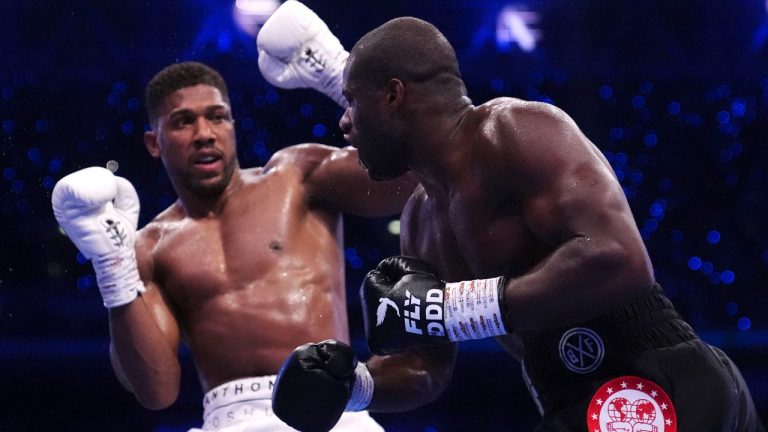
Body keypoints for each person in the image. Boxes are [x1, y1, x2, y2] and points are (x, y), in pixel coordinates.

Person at [266, 10, 765, 432]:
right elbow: (425, 367)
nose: (344, 120)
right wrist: (354, 386)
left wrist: (457, 308)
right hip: (565, 396)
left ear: (394, 96)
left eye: (352, 101)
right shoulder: (420, 217)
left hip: (649, 373)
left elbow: (621, 262)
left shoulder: (515, 131)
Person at [50, 56, 449, 432]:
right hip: (230, 417)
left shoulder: (297, 176)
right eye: (183, 122)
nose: (204, 134)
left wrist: (343, 82)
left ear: (232, 126)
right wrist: (112, 266)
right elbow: (156, 391)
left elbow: (426, 175)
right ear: (154, 142)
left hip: (330, 404)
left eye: (217, 117)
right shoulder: (147, 248)